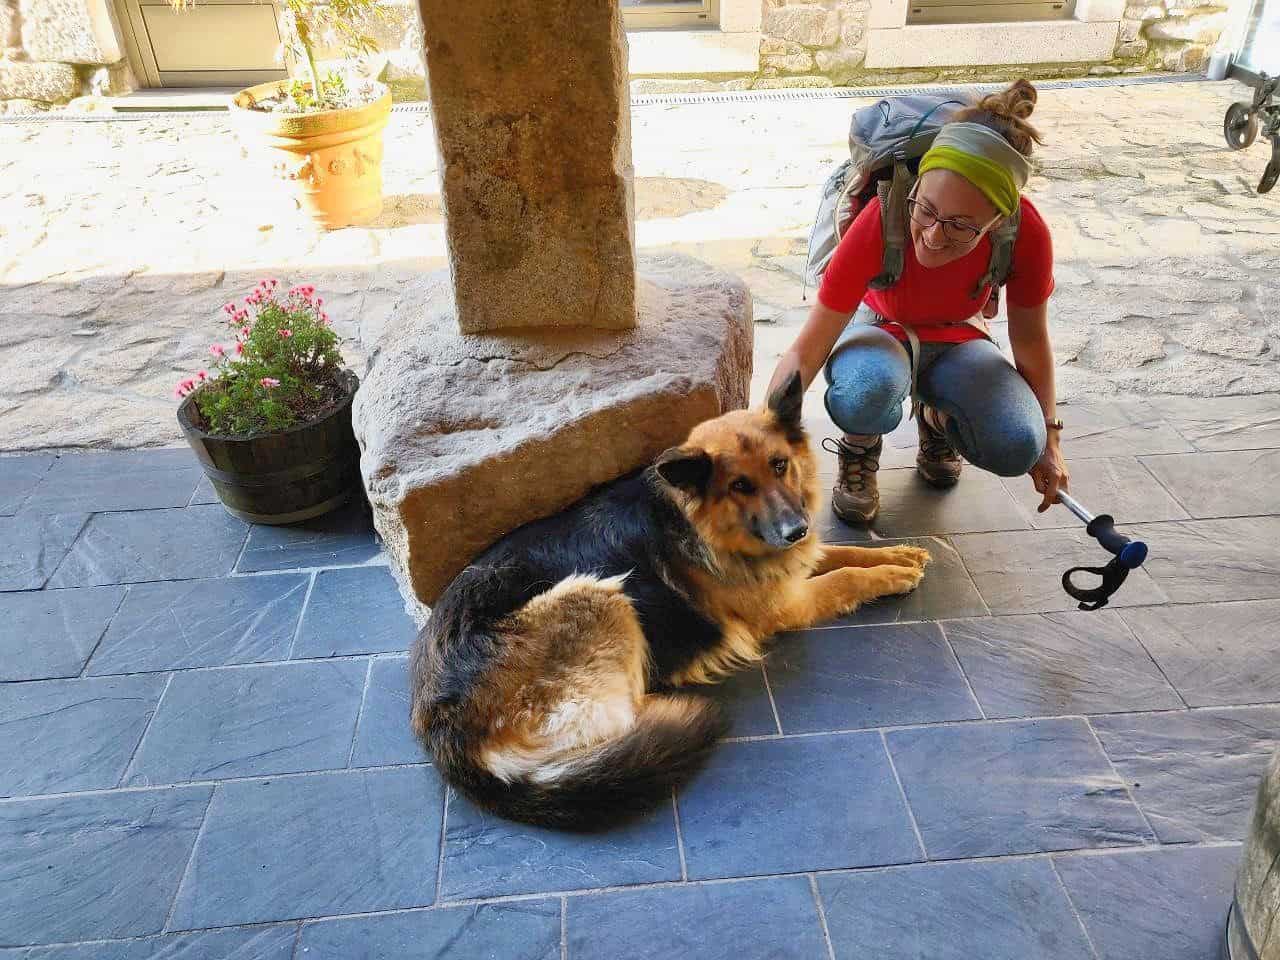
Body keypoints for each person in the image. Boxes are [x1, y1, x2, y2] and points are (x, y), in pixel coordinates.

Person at [768, 79, 1069, 524]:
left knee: (1019, 444)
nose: (932, 235)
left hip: (959, 337)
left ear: (997, 221)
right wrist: (767, 436)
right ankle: (860, 445)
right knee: (864, 391)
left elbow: (1030, 341)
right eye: (925, 209)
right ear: (917, 183)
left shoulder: (1027, 233)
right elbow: (808, 347)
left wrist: (1052, 443)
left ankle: (939, 418)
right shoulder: (884, 212)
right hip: (880, 329)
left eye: (961, 226)